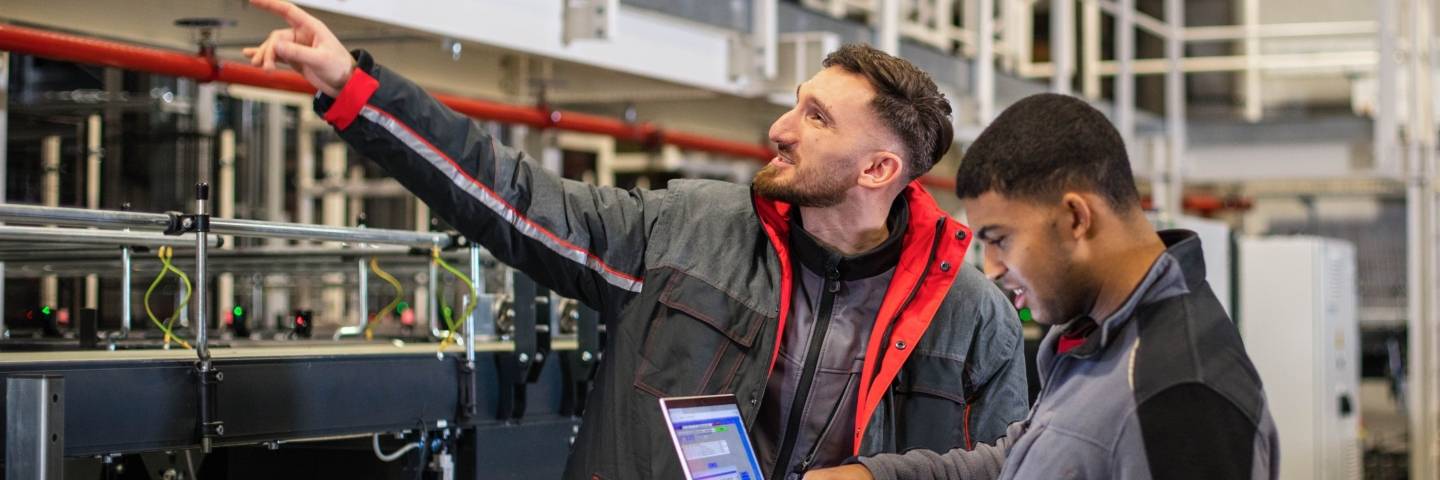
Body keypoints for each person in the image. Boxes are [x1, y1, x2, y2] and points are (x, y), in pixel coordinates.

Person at [244, 2, 1030, 478]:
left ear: (880, 167)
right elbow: (510, 196)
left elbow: (1013, 473)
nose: (780, 129)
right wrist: (357, 91)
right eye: (796, 104)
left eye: (816, 119)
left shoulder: (970, 318)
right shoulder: (683, 231)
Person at [805, 94, 1279, 480]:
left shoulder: (1177, 394)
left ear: (1075, 217)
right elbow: (1032, 456)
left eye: (1000, 239)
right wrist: (875, 478)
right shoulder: (1099, 336)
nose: (991, 269)